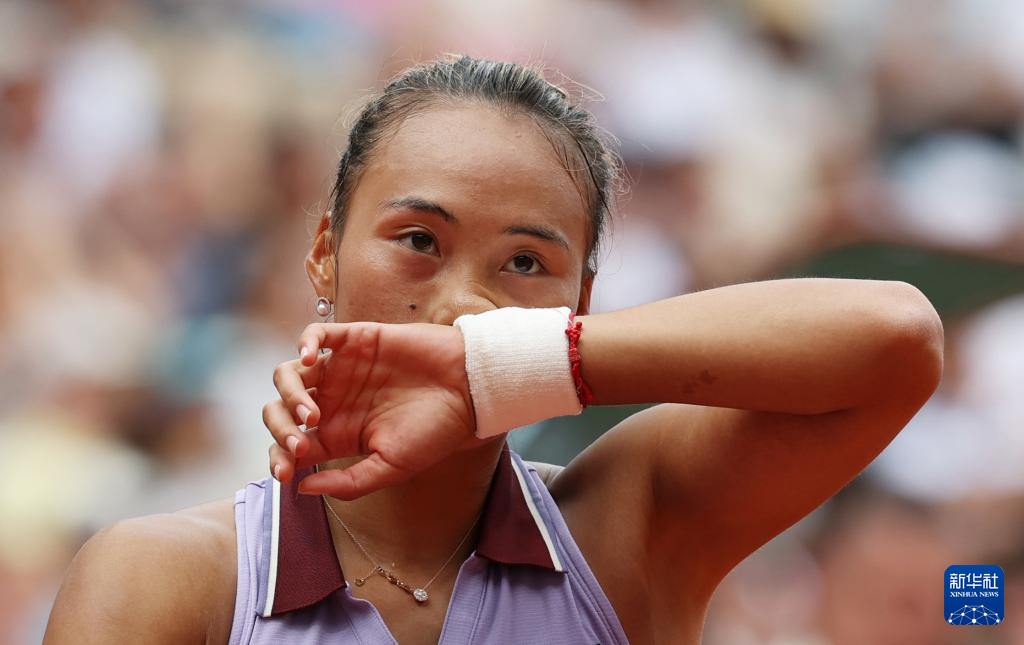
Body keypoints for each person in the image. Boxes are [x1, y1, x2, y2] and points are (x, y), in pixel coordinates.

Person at [44, 55, 944, 644]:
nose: (464, 303)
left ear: (578, 304)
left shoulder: (625, 530)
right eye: (418, 240)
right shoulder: (162, 576)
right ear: (323, 250)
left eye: (525, 263)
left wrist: (506, 369)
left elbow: (897, 338)